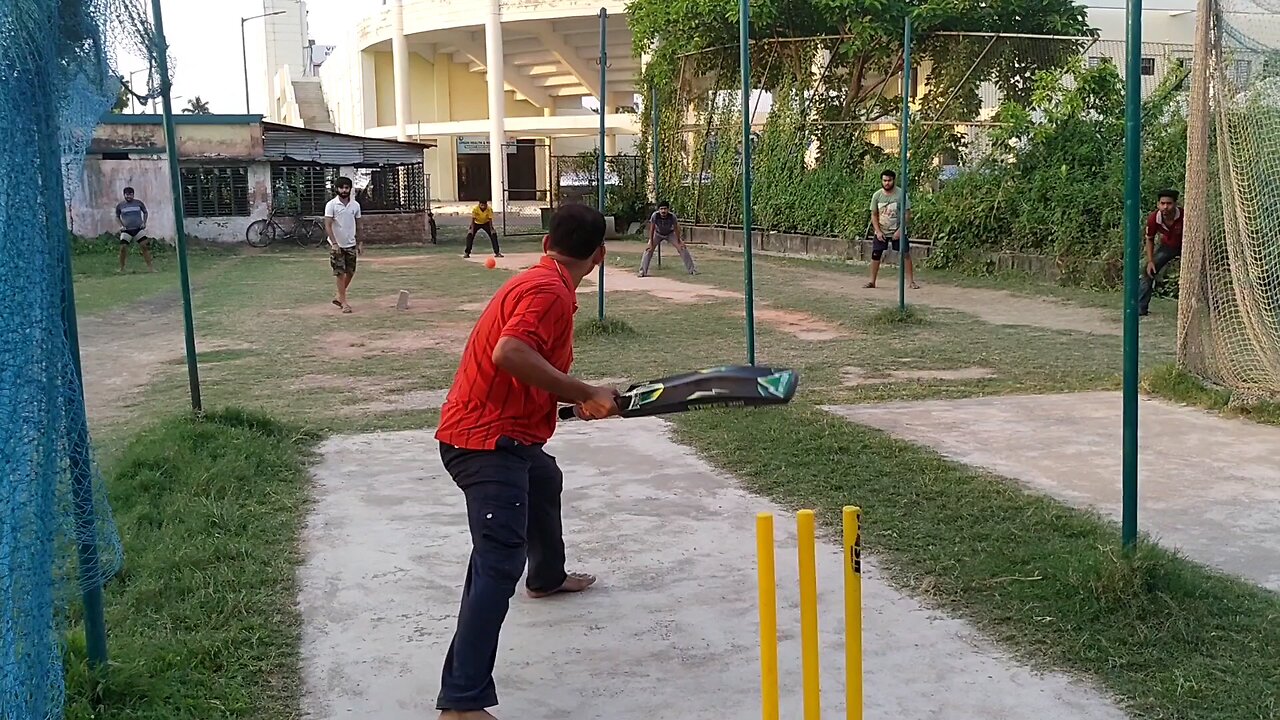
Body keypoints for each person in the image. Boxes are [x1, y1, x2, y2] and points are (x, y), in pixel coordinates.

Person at [433, 203, 620, 720]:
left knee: (545, 478)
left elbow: (521, 370)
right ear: (599, 256)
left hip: (505, 432)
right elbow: (510, 353)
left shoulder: (540, 280)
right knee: (497, 564)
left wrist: (571, 402)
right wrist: (585, 388)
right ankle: (462, 704)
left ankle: (548, 576)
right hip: (485, 442)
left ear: (545, 244)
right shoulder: (547, 292)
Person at [866, 169, 919, 290]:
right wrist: (878, 231)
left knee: (905, 254)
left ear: (894, 180)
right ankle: (872, 281)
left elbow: (907, 214)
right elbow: (874, 215)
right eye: (884, 180)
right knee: (875, 254)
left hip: (898, 230)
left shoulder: (901, 195)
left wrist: (900, 230)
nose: (887, 183)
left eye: (889, 180)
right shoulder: (877, 195)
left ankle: (911, 282)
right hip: (882, 231)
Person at [1139, 189, 1183, 317]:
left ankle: (1215, 307)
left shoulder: (1184, 215)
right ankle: (1141, 308)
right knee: (1147, 271)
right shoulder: (1154, 218)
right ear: (1158, 204)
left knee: (1200, 273)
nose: (1165, 207)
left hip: (1187, 246)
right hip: (1167, 247)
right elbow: (1150, 239)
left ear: (1175, 204)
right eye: (1162, 203)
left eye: (1169, 203)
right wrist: (1151, 260)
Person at [324, 176, 362, 314]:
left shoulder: (355, 206)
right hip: (337, 245)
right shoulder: (331, 205)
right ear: (337, 189)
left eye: (347, 188)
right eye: (341, 188)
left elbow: (359, 224)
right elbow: (327, 225)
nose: (344, 190)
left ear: (350, 189)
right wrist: (334, 243)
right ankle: (344, 303)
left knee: (350, 272)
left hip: (351, 244)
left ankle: (339, 296)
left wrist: (360, 242)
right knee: (340, 273)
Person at [639, 200, 698, 276]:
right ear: (658, 210)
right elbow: (652, 228)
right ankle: (642, 271)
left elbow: (676, 229)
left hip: (670, 234)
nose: (663, 211)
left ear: (668, 210)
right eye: (661, 209)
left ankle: (692, 270)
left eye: (665, 209)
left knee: (682, 248)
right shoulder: (655, 216)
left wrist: (679, 241)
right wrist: (650, 242)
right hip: (657, 234)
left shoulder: (672, 216)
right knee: (648, 250)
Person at [115, 186, 154, 273]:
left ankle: (150, 268)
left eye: (130, 194)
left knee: (144, 246)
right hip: (126, 230)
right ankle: (122, 268)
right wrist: (121, 225)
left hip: (138, 229)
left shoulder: (138, 203)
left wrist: (144, 222)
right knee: (123, 248)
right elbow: (117, 216)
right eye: (127, 195)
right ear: (124, 195)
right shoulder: (120, 205)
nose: (129, 196)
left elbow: (145, 212)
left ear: (133, 195)